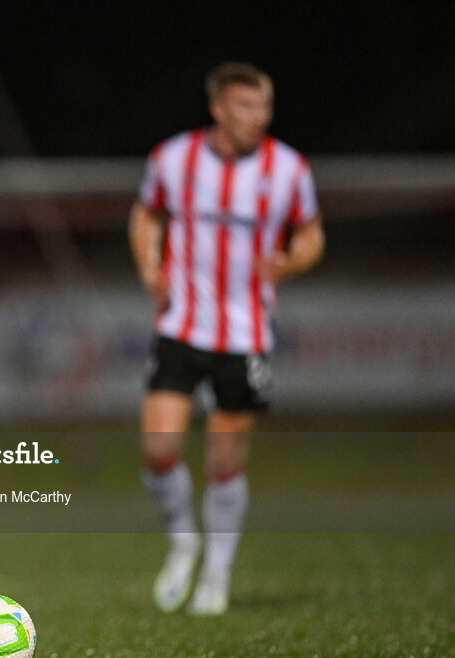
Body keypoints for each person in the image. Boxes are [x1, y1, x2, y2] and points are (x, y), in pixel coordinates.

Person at [129, 62, 324, 615]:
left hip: (247, 336)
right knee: (159, 449)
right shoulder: (174, 158)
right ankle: (184, 541)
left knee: (223, 461)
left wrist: (290, 260)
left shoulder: (288, 168)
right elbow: (146, 214)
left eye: (263, 107)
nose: (256, 118)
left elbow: (311, 232)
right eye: (245, 106)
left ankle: (216, 575)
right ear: (218, 108)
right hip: (181, 327)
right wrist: (149, 267)